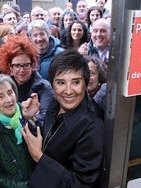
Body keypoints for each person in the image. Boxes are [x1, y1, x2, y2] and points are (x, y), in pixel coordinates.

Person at [21, 49, 104, 188]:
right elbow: (50, 136)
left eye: (76, 82)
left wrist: (39, 157)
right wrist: (31, 118)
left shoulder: (93, 125)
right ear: (52, 84)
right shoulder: (56, 103)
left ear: (85, 83)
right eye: (61, 83)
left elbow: (80, 184)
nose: (68, 91)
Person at [0, 74, 40, 187]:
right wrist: (27, 186)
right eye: (0, 96)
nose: (9, 100)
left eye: (10, 92)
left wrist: (31, 120)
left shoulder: (23, 113)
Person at [0, 35, 54, 127]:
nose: (22, 70)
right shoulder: (5, 87)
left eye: (26, 65)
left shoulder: (43, 87)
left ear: (32, 65)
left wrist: (30, 118)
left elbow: (46, 121)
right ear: (10, 67)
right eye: (17, 65)